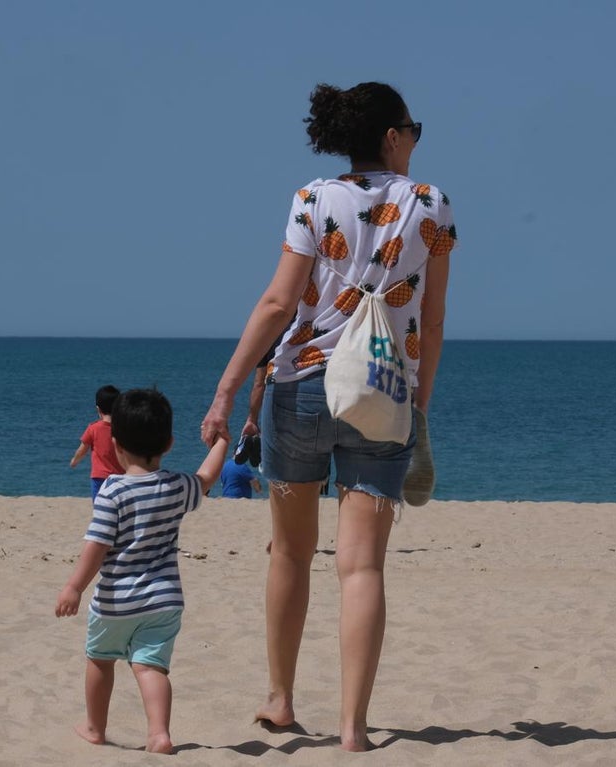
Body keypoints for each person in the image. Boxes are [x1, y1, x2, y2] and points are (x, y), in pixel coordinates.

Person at [200, 81, 455, 751]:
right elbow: (431, 317)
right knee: (362, 567)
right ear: (392, 137)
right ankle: (352, 728)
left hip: (304, 386)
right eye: (413, 130)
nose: (415, 142)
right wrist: (419, 405)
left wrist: (227, 390)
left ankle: (281, 698)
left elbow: (279, 304)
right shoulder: (431, 204)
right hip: (384, 393)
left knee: (290, 550)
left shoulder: (312, 199)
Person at [55, 388, 229, 754]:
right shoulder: (177, 486)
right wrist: (221, 443)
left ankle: (94, 728)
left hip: (116, 601)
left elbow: (97, 548)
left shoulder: (112, 492)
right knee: (151, 668)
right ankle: (159, 733)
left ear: (115, 445)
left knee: (101, 660)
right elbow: (207, 477)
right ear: (168, 443)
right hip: (164, 601)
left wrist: (74, 586)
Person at [69, 385, 126, 498]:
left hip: (99, 478)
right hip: (120, 478)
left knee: (100, 508)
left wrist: (74, 461)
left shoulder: (93, 428)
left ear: (98, 409)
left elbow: (82, 450)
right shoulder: (123, 428)